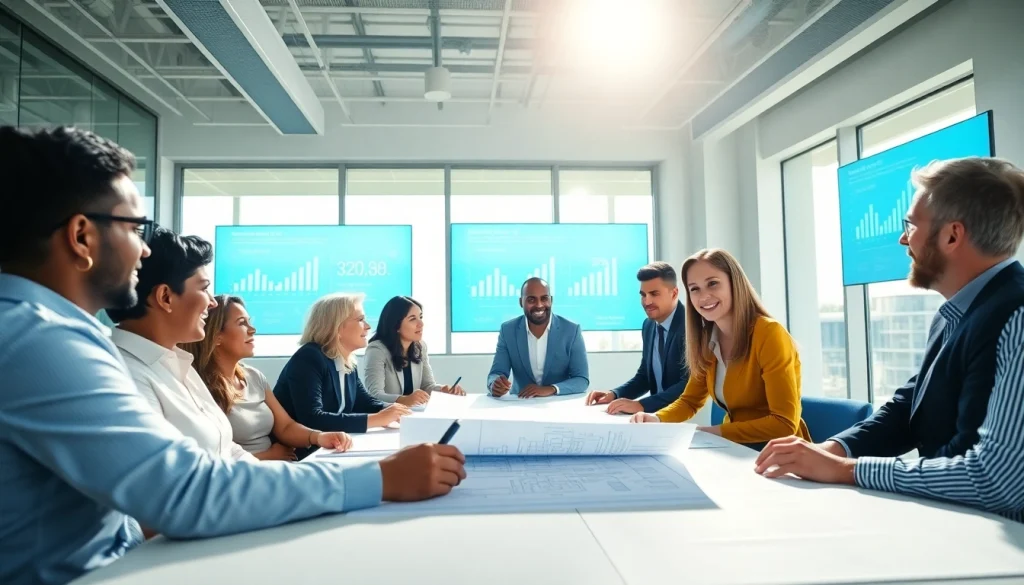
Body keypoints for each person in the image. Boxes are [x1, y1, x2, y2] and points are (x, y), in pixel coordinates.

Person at [0, 126, 465, 585]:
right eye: (134, 227)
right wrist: (379, 480)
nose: (143, 248)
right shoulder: (36, 338)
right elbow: (181, 491)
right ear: (82, 237)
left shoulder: (52, 332)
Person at [754, 157, 1024, 522]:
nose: (902, 238)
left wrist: (847, 470)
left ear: (951, 236)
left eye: (910, 225)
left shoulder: (1016, 315)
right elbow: (911, 409)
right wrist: (829, 450)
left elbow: (998, 479)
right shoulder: (956, 314)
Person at [631, 249, 810, 447]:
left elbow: (784, 424)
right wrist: (656, 419)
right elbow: (690, 401)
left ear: (735, 284)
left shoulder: (769, 333)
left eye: (713, 284)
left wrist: (706, 432)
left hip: (780, 455)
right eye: (694, 289)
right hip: (735, 449)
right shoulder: (709, 339)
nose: (703, 296)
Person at [105, 229, 257, 462]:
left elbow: (225, 448)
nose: (212, 302)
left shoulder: (178, 363)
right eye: (204, 288)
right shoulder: (124, 375)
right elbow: (167, 476)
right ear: (165, 297)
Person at [182, 295, 354, 461]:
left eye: (250, 322)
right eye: (242, 323)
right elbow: (209, 456)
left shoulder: (254, 376)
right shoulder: (197, 385)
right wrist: (265, 457)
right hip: (244, 473)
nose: (252, 329)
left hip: (277, 466)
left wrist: (319, 437)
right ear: (217, 336)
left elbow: (286, 427)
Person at [274, 292, 410, 458]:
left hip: (328, 450)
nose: (367, 326)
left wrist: (393, 411)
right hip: (297, 456)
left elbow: (363, 402)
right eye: (360, 319)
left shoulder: (345, 361)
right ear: (337, 327)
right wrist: (377, 419)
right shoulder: (309, 358)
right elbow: (312, 418)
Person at [585, 262, 689, 415]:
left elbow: (688, 384)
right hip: (655, 416)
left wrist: (641, 405)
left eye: (654, 294)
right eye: (643, 295)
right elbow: (645, 377)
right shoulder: (649, 325)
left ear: (674, 293)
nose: (647, 302)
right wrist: (614, 394)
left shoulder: (691, 326)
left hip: (683, 416)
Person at [486, 277, 589, 398]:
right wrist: (495, 384)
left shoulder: (571, 331)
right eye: (531, 300)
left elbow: (582, 379)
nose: (539, 305)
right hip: (520, 404)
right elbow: (496, 373)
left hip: (559, 405)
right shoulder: (508, 331)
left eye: (544, 298)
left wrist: (551, 389)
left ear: (551, 300)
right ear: (521, 302)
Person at [363, 296, 465, 407]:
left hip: (412, 414)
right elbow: (374, 395)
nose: (421, 324)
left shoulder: (420, 347)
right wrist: (403, 400)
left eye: (420, 317)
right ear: (396, 325)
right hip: (386, 416)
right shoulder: (377, 350)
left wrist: (443, 390)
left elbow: (427, 386)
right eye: (412, 319)